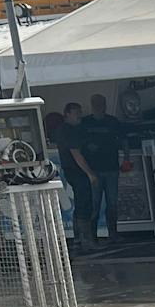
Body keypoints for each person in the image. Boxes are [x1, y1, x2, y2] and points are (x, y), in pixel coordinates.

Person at [80, 93, 122, 240]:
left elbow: (123, 140)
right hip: (94, 170)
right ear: (92, 105)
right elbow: (78, 145)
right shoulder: (84, 123)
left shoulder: (113, 121)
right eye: (96, 103)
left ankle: (113, 234)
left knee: (112, 203)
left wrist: (127, 158)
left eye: (101, 103)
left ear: (105, 104)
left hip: (112, 168)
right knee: (94, 204)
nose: (99, 106)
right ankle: (92, 236)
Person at [55, 101, 96, 247]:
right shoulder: (67, 130)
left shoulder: (73, 129)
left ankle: (79, 237)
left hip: (73, 171)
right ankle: (85, 239)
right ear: (67, 114)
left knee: (81, 202)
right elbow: (76, 154)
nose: (80, 115)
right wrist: (90, 173)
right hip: (76, 171)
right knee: (84, 203)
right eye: (76, 112)